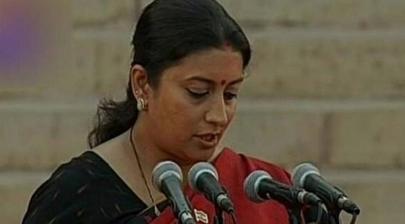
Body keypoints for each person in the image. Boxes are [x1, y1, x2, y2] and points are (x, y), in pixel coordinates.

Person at [22, 0, 293, 223]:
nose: (219, 116)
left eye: (231, 94)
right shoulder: (77, 196)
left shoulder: (260, 189)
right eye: (197, 92)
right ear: (142, 83)